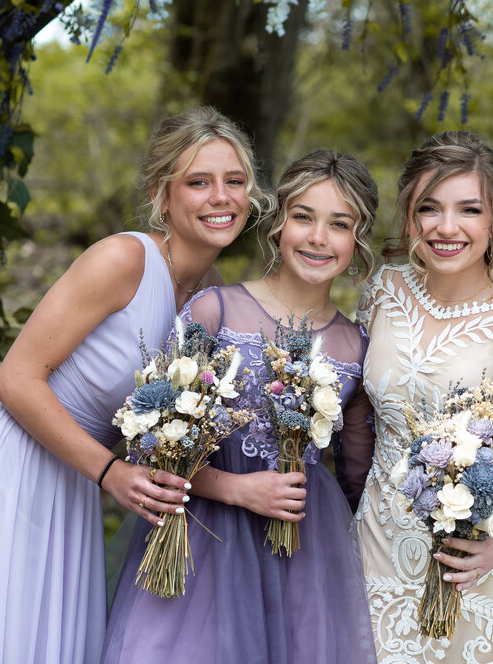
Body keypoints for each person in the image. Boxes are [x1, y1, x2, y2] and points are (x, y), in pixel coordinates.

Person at [0, 106, 266, 664]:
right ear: (162, 194)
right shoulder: (123, 259)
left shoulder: (213, 294)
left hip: (73, 485)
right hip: (3, 471)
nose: (220, 197)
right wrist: (112, 472)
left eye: (234, 182)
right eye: (198, 182)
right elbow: (14, 379)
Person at [101, 149, 379, 664]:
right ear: (278, 225)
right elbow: (151, 447)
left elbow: (359, 479)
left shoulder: (356, 347)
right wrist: (238, 489)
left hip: (303, 549)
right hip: (201, 538)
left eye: (339, 224)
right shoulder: (217, 309)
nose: (318, 237)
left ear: (357, 241)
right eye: (303, 217)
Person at [356, 131, 493, 664]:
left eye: (468, 209)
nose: (447, 228)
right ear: (409, 215)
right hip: (373, 556)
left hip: (473, 571)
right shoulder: (384, 290)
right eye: (430, 208)